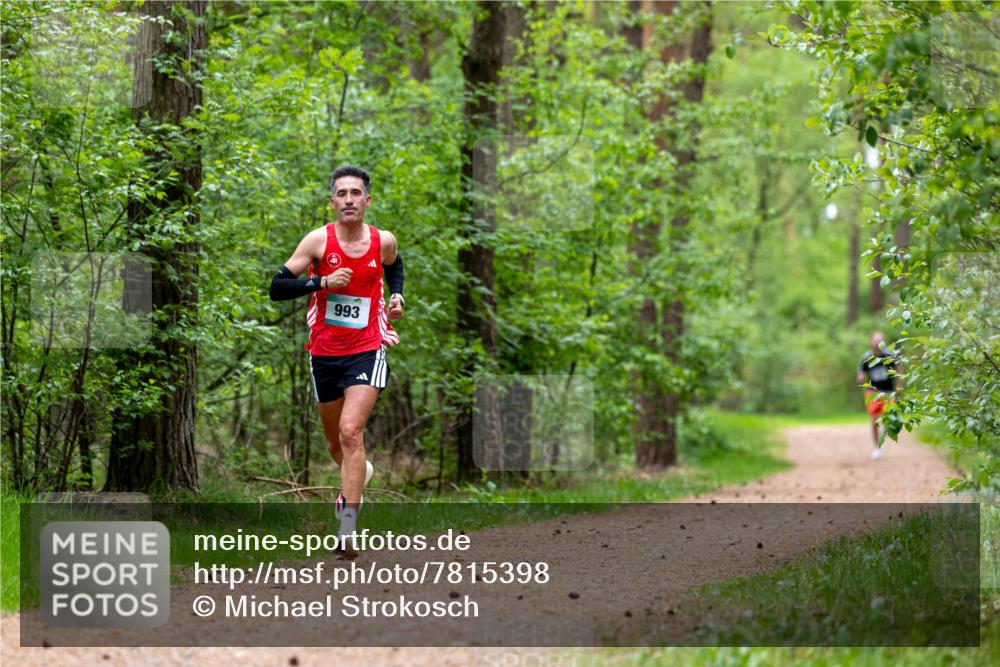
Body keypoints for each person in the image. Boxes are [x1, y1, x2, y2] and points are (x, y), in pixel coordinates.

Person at [269, 165, 404, 552]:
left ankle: (348, 526)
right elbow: (277, 287)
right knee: (335, 446)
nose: (348, 200)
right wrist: (321, 282)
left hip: (368, 347)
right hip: (324, 353)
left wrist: (397, 296)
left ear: (367, 200)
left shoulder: (382, 241)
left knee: (350, 432)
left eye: (355, 193)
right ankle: (362, 474)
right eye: (341, 194)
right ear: (332, 202)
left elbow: (394, 267)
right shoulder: (317, 241)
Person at [856, 331, 900, 460]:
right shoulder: (866, 358)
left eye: (880, 340)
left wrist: (899, 386)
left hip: (888, 392)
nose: (878, 343)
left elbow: (899, 370)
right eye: (876, 340)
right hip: (873, 392)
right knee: (874, 419)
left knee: (888, 419)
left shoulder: (889, 356)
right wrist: (861, 379)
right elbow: (861, 374)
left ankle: (883, 436)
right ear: (871, 342)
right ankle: (877, 448)